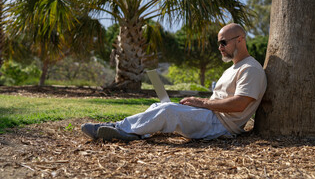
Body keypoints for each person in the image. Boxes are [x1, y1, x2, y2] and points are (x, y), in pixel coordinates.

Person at [81, 23, 267, 141]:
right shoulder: (233, 68)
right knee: (159, 105)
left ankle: (117, 128)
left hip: (222, 125)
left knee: (168, 111)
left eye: (223, 42)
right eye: (219, 43)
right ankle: (133, 131)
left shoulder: (250, 68)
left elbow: (240, 104)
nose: (220, 48)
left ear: (240, 40)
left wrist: (202, 103)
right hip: (212, 117)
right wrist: (200, 105)